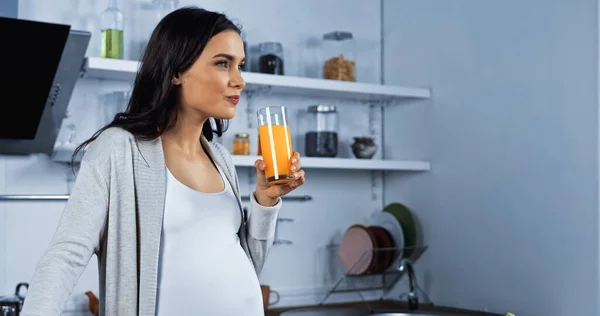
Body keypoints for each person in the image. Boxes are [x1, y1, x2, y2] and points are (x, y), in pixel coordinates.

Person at [20, 6, 305, 316]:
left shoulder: (221, 158)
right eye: (223, 64)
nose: (239, 81)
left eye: (240, 65)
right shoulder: (119, 149)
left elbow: (249, 264)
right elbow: (66, 255)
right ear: (176, 72)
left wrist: (265, 202)